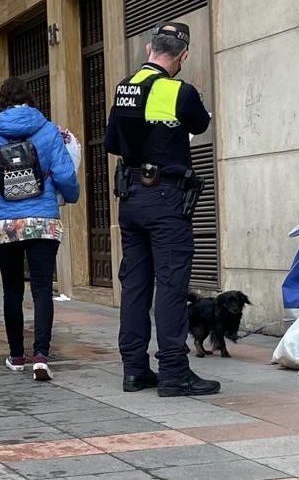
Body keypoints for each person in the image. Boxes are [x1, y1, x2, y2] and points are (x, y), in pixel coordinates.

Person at [104, 22, 216, 397]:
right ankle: (173, 372)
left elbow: (111, 143)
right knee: (171, 285)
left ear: (150, 47)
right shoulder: (180, 92)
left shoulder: (123, 89)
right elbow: (200, 124)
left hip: (131, 197)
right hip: (166, 198)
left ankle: (134, 370)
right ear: (183, 55)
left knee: (135, 286)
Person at [0, 77, 79, 381]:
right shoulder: (48, 130)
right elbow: (65, 175)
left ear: (1, 103)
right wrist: (72, 195)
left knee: (12, 290)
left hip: (5, 224)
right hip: (42, 220)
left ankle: (16, 355)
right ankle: (41, 355)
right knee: (41, 288)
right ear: (31, 100)